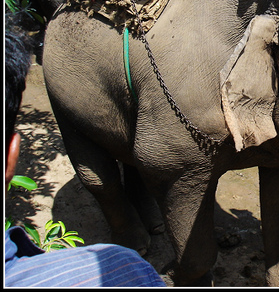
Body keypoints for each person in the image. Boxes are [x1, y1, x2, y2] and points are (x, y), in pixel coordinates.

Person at [4, 21, 166, 287]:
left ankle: (134, 211)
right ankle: (124, 220)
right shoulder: (125, 269)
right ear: (12, 155)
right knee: (97, 168)